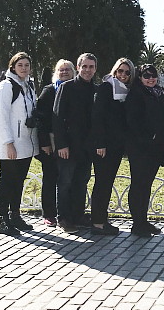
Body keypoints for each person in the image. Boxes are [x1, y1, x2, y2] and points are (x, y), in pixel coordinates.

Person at [0, 52, 39, 235]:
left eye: (27, 65)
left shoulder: (28, 86)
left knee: (18, 181)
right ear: (13, 66)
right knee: (7, 181)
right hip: (11, 144)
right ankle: (3, 220)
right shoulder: (6, 86)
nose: (24, 68)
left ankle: (15, 215)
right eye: (20, 65)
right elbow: (1, 117)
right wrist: (8, 143)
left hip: (26, 143)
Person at [53, 52, 98, 234]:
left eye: (91, 67)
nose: (88, 70)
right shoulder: (67, 87)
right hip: (68, 146)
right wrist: (61, 144)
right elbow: (57, 118)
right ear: (78, 68)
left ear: (95, 69)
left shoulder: (96, 89)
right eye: (84, 66)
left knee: (81, 182)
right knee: (65, 182)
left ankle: (78, 214)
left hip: (86, 147)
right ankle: (63, 217)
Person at [90, 58, 135, 235]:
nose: (122, 75)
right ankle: (97, 224)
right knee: (102, 183)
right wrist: (100, 142)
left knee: (107, 182)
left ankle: (102, 219)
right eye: (120, 71)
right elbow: (98, 116)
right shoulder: (106, 87)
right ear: (114, 71)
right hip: (103, 146)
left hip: (116, 145)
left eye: (126, 72)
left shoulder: (126, 91)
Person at [125, 64, 164, 237]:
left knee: (146, 185)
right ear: (139, 77)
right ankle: (137, 224)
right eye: (146, 76)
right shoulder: (136, 95)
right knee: (138, 185)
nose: (150, 78)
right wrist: (148, 138)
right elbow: (133, 122)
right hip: (140, 148)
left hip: (155, 148)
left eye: (153, 75)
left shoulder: (158, 93)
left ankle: (143, 221)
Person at [36, 59, 76, 227]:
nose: (65, 72)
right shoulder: (49, 91)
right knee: (51, 177)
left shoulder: (76, 89)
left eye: (68, 69)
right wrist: (45, 142)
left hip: (70, 141)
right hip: (50, 142)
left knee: (67, 179)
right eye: (61, 69)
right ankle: (49, 213)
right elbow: (41, 119)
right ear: (56, 72)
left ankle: (68, 211)